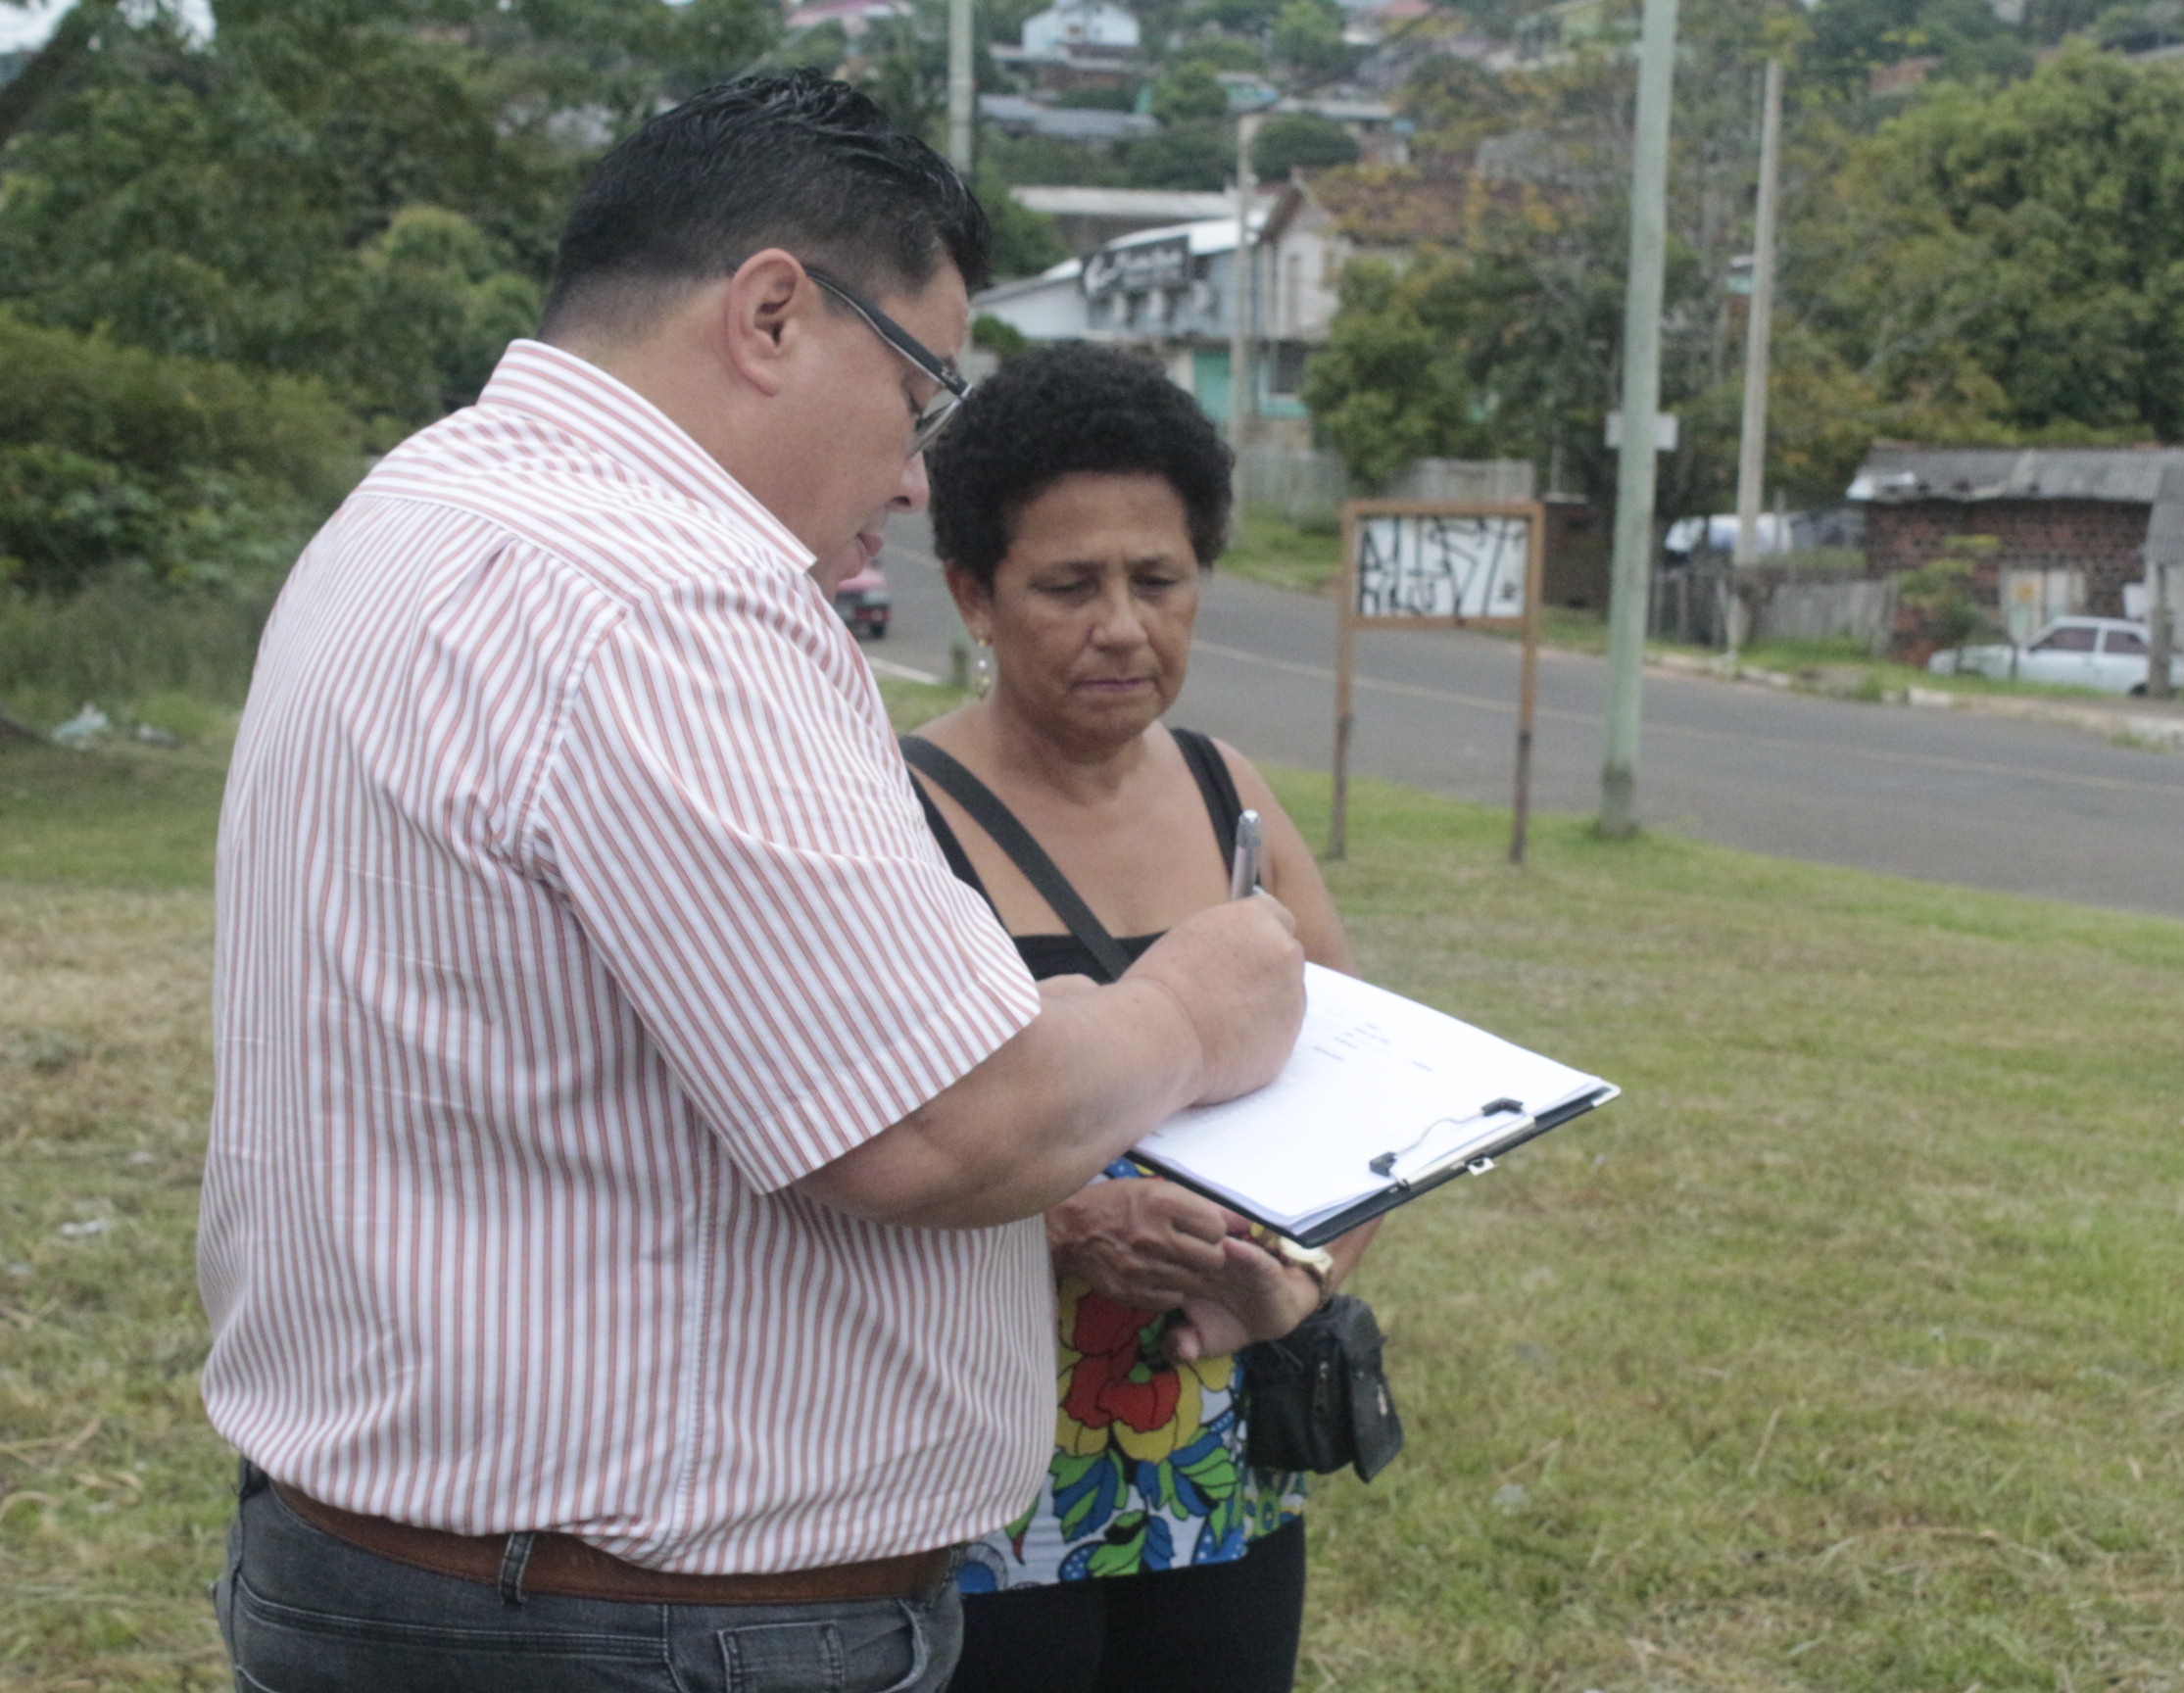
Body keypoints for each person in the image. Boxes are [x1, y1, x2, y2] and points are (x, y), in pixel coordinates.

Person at [198, 74, 1305, 1693]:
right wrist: (1193, 1011)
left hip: (443, 1570)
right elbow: (934, 1123)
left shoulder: (420, 507)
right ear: (773, 314)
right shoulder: (663, 593)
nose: (916, 475)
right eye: (920, 392)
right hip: (628, 1624)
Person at [900, 344, 1377, 1693]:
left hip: (1220, 1476)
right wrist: (1060, 1222)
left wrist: (1295, 1284)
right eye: (1070, 586)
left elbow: (1369, 1105)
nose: (1122, 625)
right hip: (972, 1494)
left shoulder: (1235, 799)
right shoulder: (894, 816)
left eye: (1158, 581)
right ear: (972, 593)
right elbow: (856, 1136)